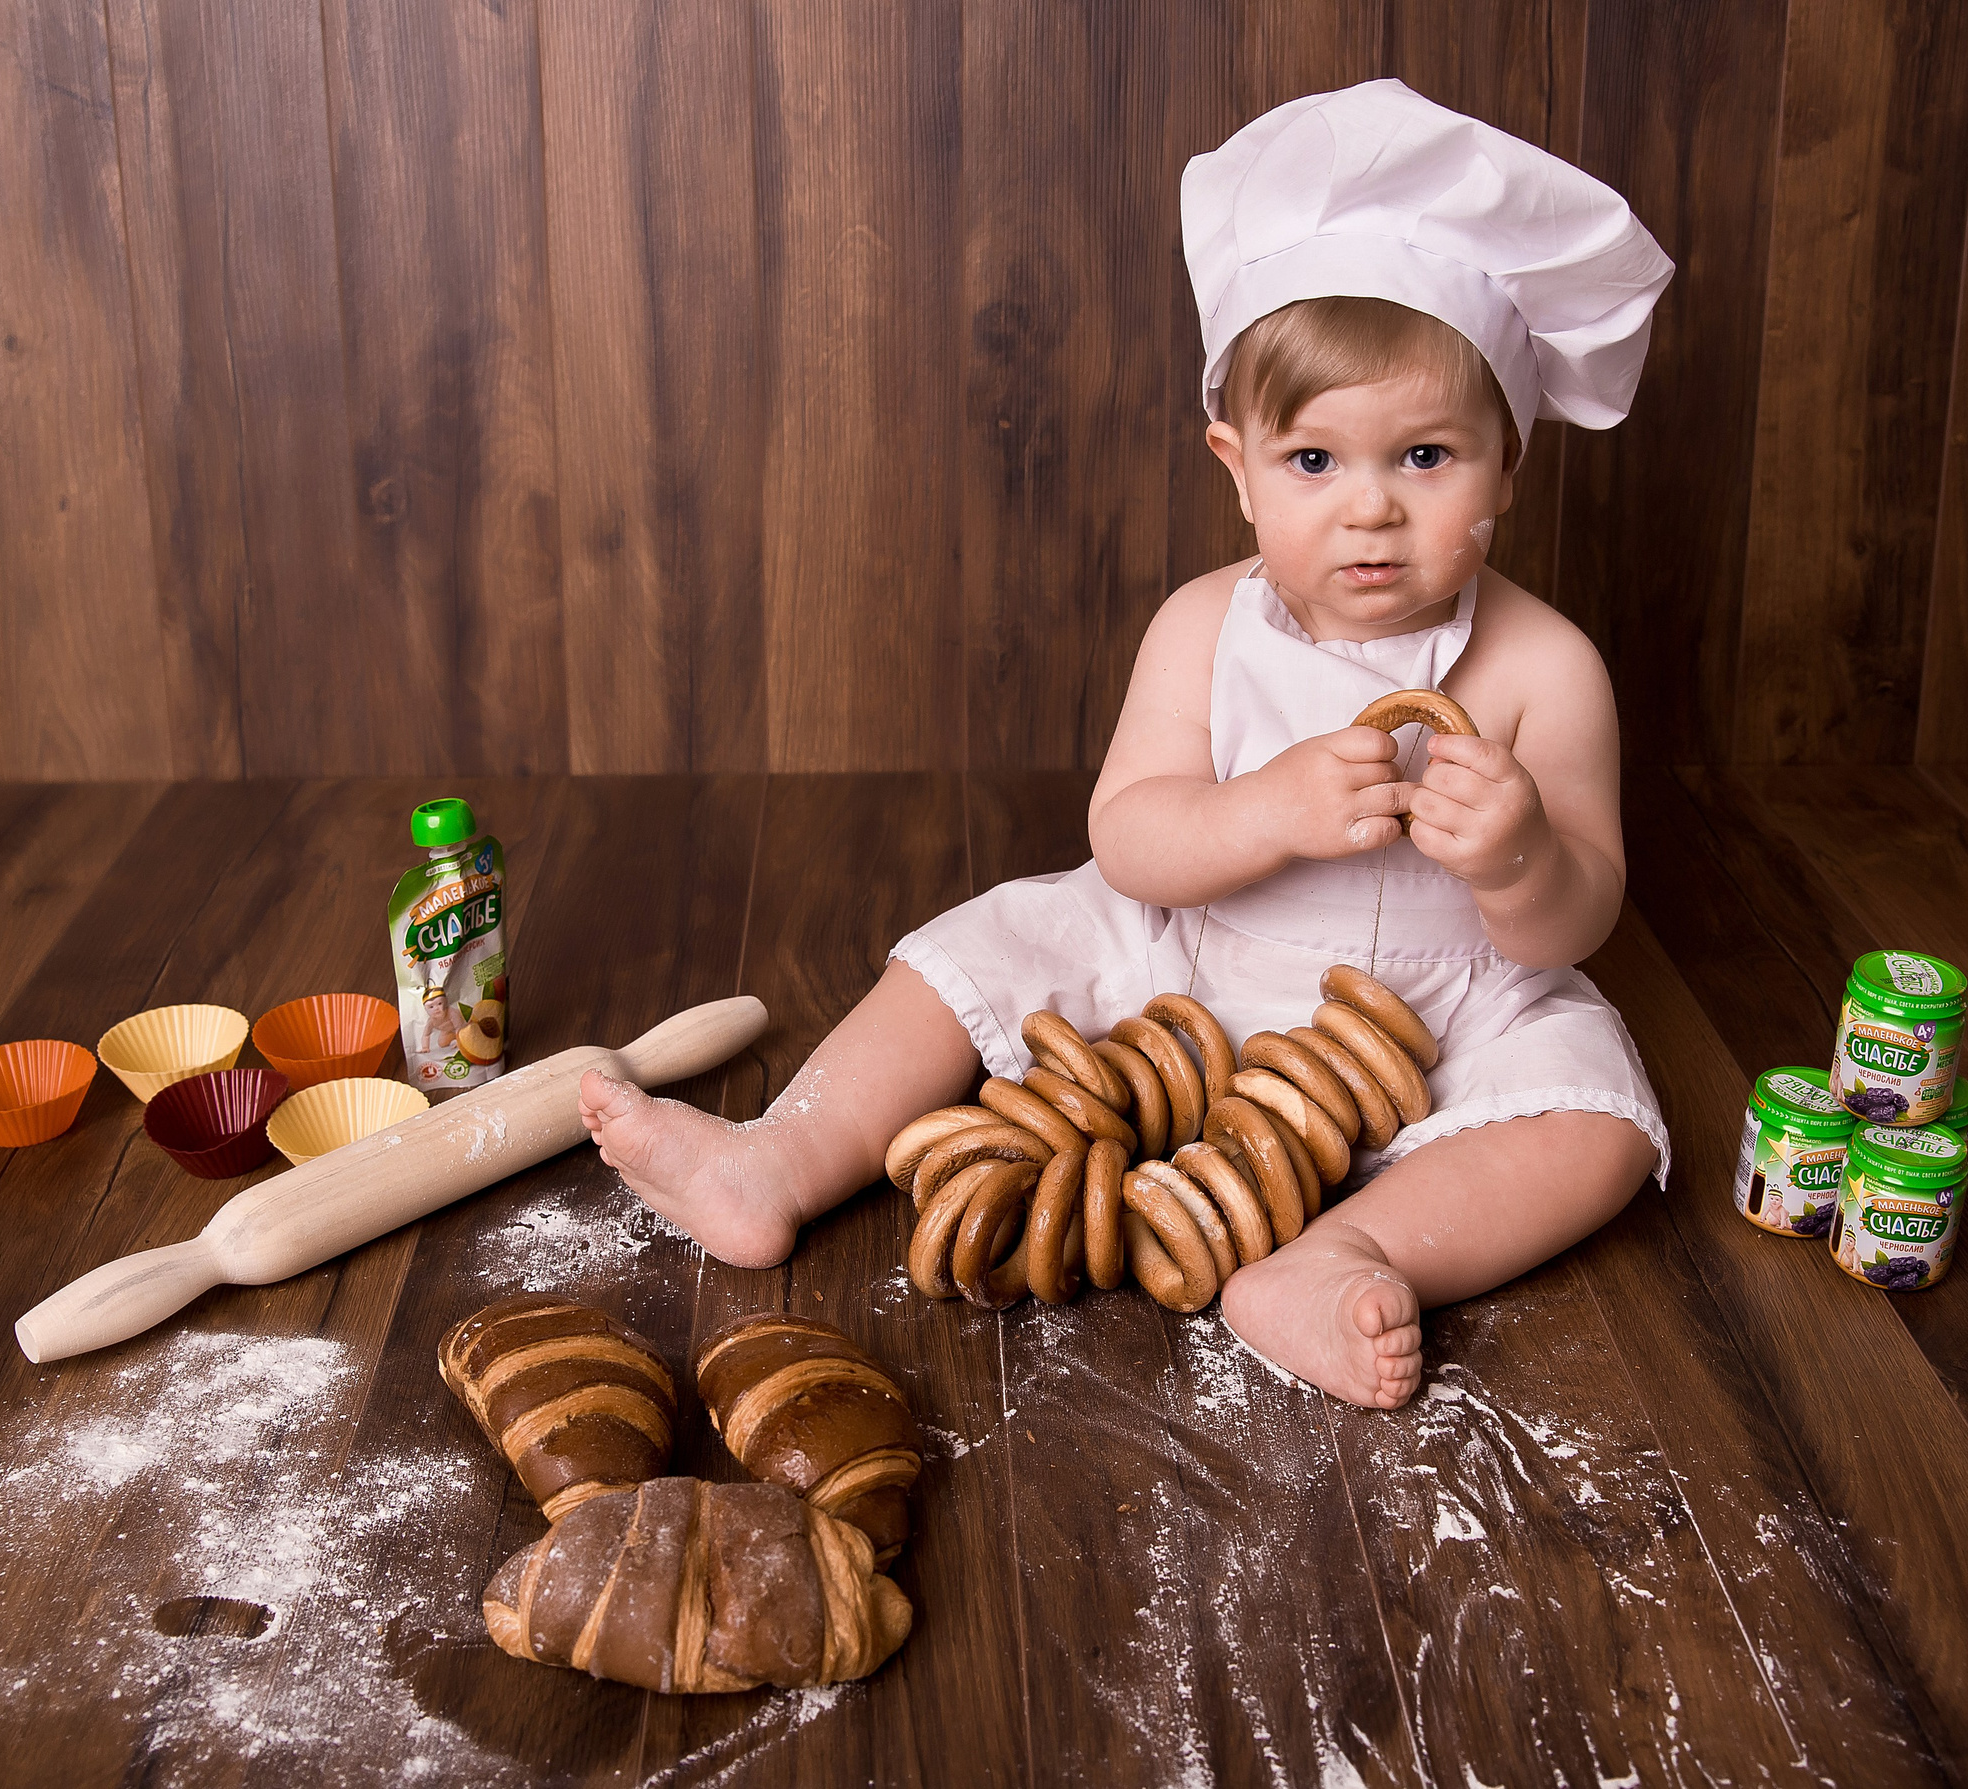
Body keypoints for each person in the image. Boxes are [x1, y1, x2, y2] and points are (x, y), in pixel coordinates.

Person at [578, 80, 1676, 1409]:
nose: (1371, 512)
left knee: (1600, 1120)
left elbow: (1577, 917)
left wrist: (1516, 855)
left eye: (1428, 456)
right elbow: (1132, 839)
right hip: (1195, 962)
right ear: (1237, 463)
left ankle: (1340, 1259)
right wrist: (1262, 811)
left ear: (1508, 460)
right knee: (981, 945)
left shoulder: (1544, 668)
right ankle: (780, 1157)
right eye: (1316, 462)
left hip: (1440, 1014)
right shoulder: (1207, 626)